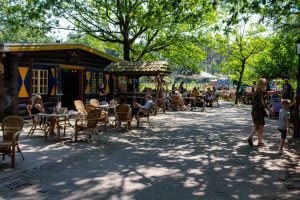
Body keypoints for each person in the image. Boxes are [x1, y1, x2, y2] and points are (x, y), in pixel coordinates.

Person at [247, 78, 274, 147]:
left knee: (257, 125)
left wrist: (269, 93)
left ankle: (257, 140)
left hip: (254, 110)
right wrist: (270, 110)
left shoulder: (256, 91)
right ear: (263, 84)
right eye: (265, 84)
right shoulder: (261, 92)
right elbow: (263, 103)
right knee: (260, 126)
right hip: (259, 111)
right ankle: (257, 141)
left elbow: (263, 96)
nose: (266, 85)